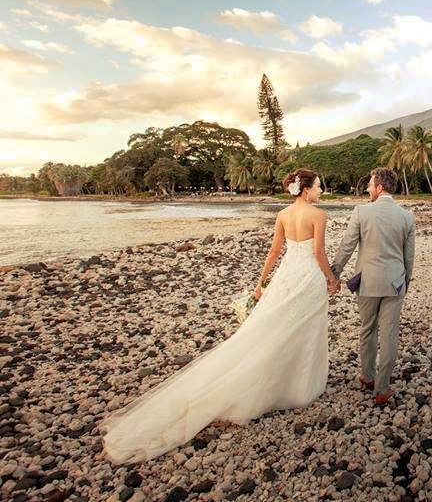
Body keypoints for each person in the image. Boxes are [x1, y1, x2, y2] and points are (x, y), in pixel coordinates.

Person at [100, 168, 338, 464]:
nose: (320, 191)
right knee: (303, 328)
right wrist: (332, 279)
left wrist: (260, 285)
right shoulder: (319, 216)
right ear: (305, 189)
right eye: (318, 186)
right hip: (307, 278)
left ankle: (281, 380)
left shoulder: (284, 215)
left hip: (287, 276)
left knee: (271, 329)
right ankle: (301, 385)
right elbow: (318, 253)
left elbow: (274, 252)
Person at [330, 167, 415, 406]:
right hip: (394, 283)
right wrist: (405, 282)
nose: (368, 188)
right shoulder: (406, 216)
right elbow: (410, 257)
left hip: (367, 282)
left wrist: (334, 273)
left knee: (367, 329)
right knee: (389, 334)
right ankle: (382, 388)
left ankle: (367, 376)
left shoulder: (361, 212)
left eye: (369, 184)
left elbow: (347, 246)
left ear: (379, 188)